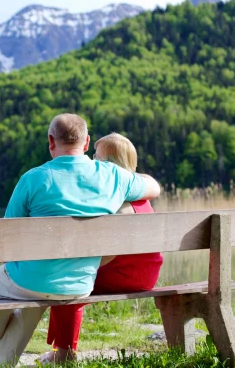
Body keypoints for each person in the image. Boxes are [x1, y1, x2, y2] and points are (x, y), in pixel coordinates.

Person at [0, 115, 161, 366]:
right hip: (80, 284)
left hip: (32, 280)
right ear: (87, 142)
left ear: (51, 142)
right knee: (34, 297)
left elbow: (3, 239)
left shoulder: (32, 178)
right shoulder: (113, 176)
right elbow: (153, 188)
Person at [39, 133, 164, 364]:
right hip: (148, 274)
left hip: (125, 274)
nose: (92, 161)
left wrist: (81, 267)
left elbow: (110, 254)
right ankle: (60, 350)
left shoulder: (116, 198)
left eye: (96, 157)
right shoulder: (138, 191)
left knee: (69, 281)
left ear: (108, 164)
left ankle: (64, 353)